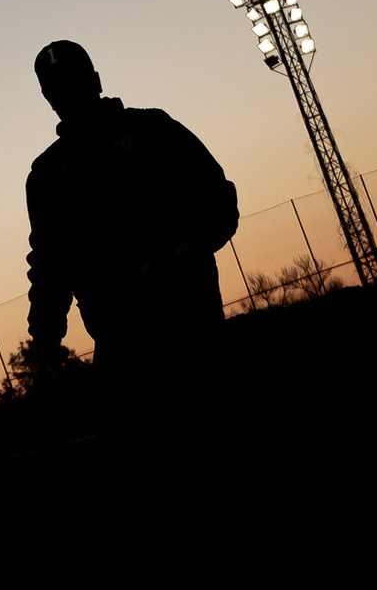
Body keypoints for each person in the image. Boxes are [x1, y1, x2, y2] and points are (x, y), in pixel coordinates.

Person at [22, 40, 239, 374]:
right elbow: (50, 266)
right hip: (123, 347)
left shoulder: (153, 129)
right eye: (57, 89)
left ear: (94, 80)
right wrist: (44, 340)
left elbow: (220, 201)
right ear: (48, 99)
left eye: (73, 82)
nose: (67, 95)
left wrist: (183, 254)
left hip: (193, 326)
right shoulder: (47, 176)